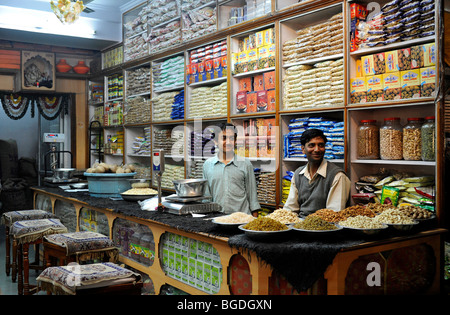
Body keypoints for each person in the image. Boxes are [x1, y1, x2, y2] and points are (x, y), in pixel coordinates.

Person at [283, 128, 351, 217]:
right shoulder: (298, 174)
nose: (317, 149)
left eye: (321, 145)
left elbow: (334, 215)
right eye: (311, 145)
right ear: (303, 149)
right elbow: (290, 209)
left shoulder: (337, 176)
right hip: (299, 225)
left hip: (325, 227)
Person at [203, 122, 260, 216]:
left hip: (242, 219)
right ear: (216, 141)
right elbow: (206, 197)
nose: (228, 142)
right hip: (218, 219)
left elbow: (252, 197)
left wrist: (254, 222)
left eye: (232, 138)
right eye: (224, 138)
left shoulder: (245, 164)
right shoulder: (208, 165)